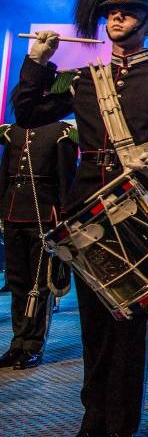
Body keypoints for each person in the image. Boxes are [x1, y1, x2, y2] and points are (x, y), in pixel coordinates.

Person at [13, 0, 148, 437]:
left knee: (128, 323)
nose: (117, 18)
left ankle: (120, 429)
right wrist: (36, 61)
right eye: (112, 11)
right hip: (86, 208)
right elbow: (27, 113)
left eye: (128, 12)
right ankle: (91, 425)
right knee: (93, 327)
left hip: (135, 208)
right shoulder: (79, 81)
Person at [0, 120, 78, 370]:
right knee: (17, 282)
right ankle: (17, 343)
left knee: (39, 285)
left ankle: (33, 345)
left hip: (43, 214)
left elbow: (67, 178)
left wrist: (65, 218)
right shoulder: (13, 131)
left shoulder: (61, 132)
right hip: (12, 212)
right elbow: (3, 176)